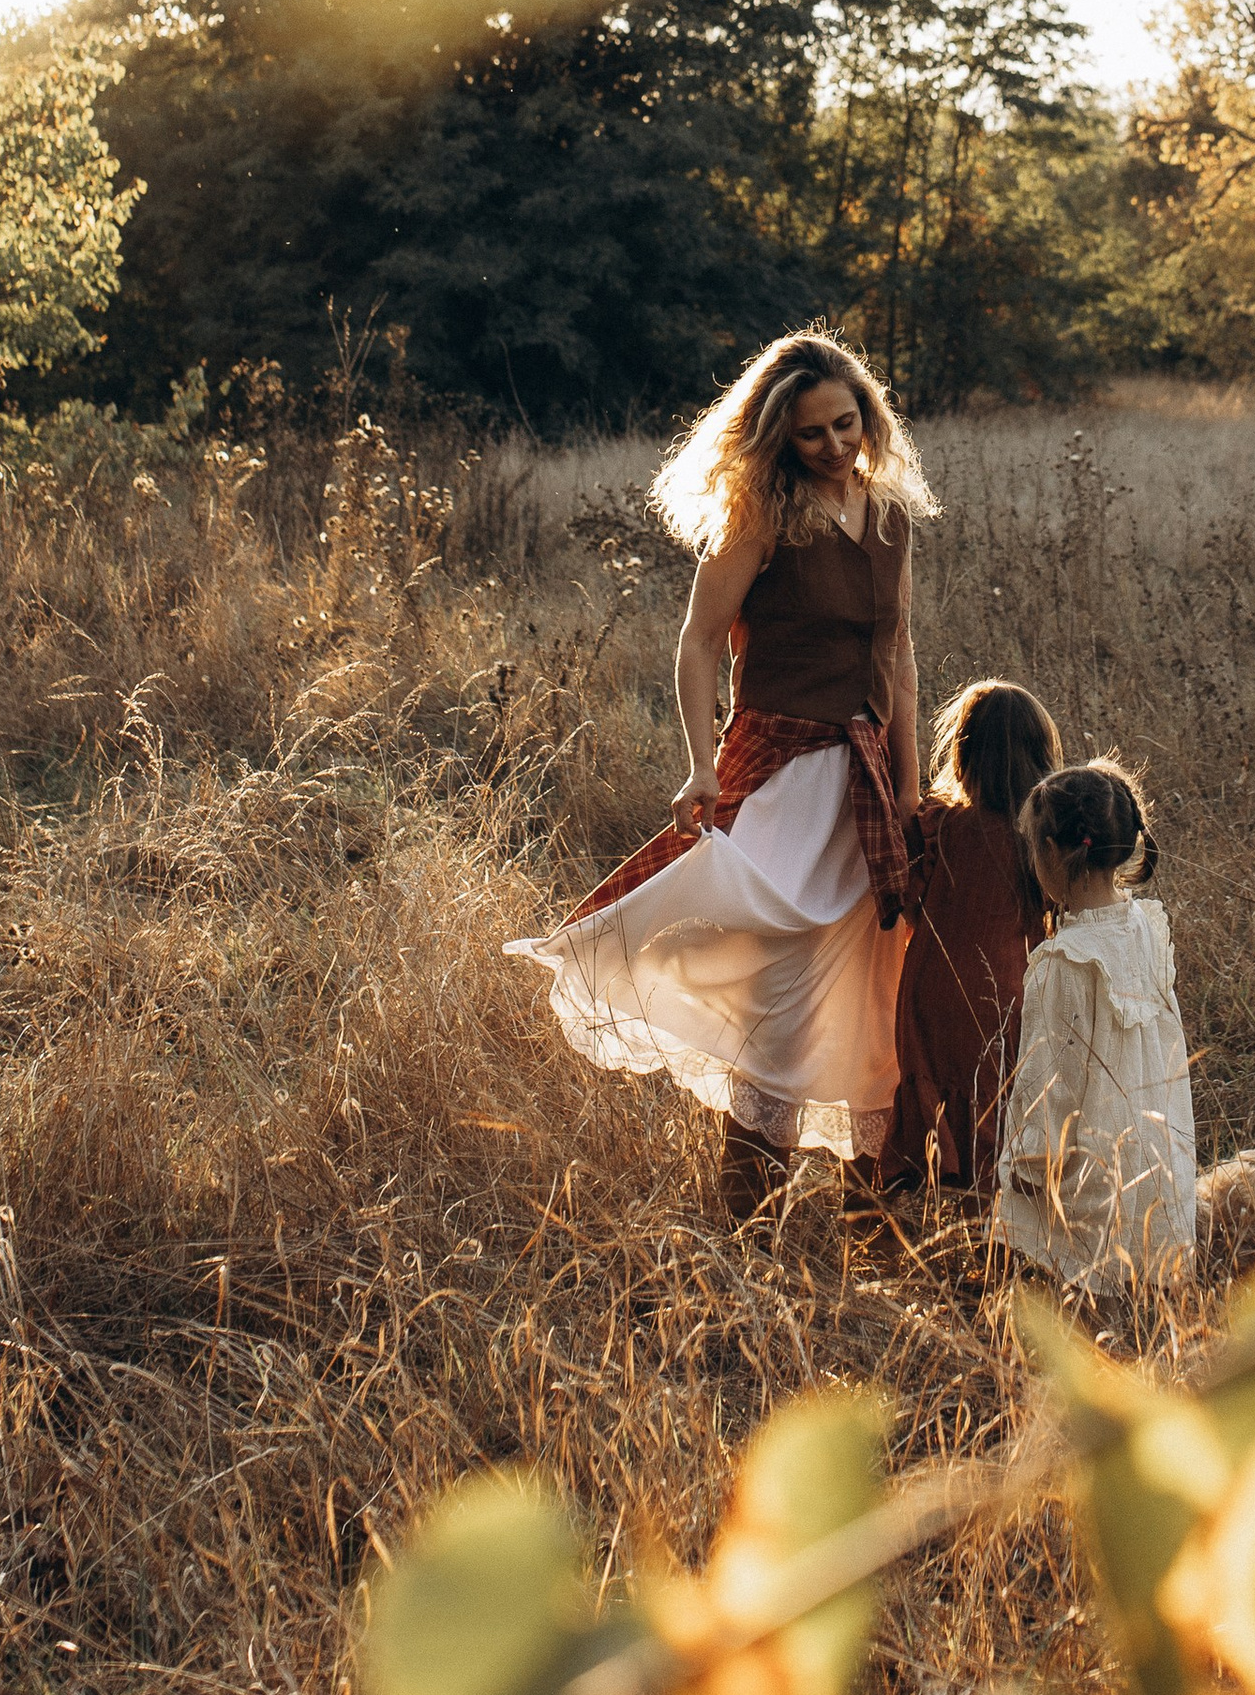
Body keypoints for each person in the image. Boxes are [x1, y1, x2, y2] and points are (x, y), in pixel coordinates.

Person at [508, 330, 932, 1221]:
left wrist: (911, 787)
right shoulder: (762, 516)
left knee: (870, 996)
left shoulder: (887, 515)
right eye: (812, 433)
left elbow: (896, 656)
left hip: (864, 783)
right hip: (781, 772)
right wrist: (700, 763)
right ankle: (744, 1219)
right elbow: (699, 642)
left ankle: (874, 1216)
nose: (835, 446)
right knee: (777, 993)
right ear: (780, 436)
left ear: (870, 416)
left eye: (847, 424)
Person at [998, 759, 1196, 1296]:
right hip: (1152, 1151)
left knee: (1083, 1284)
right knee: (1140, 1278)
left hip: (1089, 1167)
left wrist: (1031, 1161)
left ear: (1053, 852)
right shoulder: (1144, 928)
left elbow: (1050, 1082)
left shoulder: (1064, 963)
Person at [888, 680, 1061, 1202]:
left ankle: (914, 1197)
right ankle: (981, 1228)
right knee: (990, 1103)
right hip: (1002, 1000)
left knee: (930, 1087)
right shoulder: (1040, 842)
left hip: (928, 994)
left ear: (963, 757)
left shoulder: (941, 826)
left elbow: (911, 902)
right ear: (1040, 760)